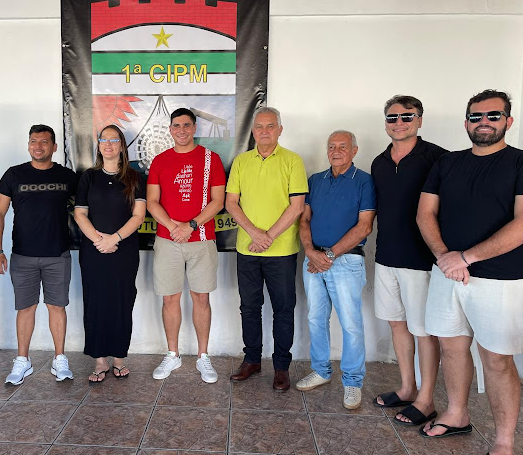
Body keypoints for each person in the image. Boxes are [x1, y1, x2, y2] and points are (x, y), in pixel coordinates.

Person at [417, 90, 523, 455]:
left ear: (508, 121)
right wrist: (444, 257)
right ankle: (456, 414)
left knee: (496, 360)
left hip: (501, 278)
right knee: (451, 347)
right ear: (466, 123)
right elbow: (425, 213)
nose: (484, 122)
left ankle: (504, 442)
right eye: (476, 116)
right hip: (447, 273)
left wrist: (466, 257)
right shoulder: (447, 163)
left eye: (493, 115)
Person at [371, 95, 447, 426]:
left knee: (423, 331)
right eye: (392, 117)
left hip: (422, 260)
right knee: (396, 323)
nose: (399, 123)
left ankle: (426, 400)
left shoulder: (438, 158)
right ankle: (407, 388)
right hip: (386, 255)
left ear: (419, 120)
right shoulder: (379, 162)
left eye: (407, 116)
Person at [226, 106, 308, 392]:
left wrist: (268, 237)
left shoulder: (293, 161)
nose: (264, 131)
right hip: (247, 249)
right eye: (259, 126)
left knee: (283, 309)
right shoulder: (241, 162)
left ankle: (281, 367)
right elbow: (231, 203)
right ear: (252, 131)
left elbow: (297, 206)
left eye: (270, 126)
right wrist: (254, 233)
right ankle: (252, 360)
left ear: (280, 130)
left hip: (281, 251)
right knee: (249, 307)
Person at [0, 124, 79, 385]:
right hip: (23, 255)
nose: (38, 146)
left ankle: (59, 359)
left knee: (57, 307)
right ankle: (23, 360)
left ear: (54, 147)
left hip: (58, 254)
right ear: (28, 145)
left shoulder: (67, 176)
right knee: (25, 308)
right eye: (33, 141)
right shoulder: (14, 174)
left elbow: (85, 208)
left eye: (44, 141)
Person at [296, 130, 376, 409]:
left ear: (354, 150)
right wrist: (310, 251)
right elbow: (304, 220)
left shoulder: (364, 181)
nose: (336, 151)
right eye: (332, 146)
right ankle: (321, 370)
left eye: (343, 146)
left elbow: (365, 226)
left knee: (351, 324)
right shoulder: (315, 180)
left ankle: (353, 381)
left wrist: (329, 255)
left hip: (346, 262)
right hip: (313, 259)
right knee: (316, 319)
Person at [146, 108, 226, 384]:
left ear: (194, 128)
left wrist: (190, 226)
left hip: (201, 239)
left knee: (201, 298)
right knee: (170, 298)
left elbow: (218, 201)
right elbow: (152, 201)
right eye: (176, 125)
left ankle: (203, 356)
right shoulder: (160, 160)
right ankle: (173, 354)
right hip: (168, 240)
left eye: (187, 125)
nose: (181, 130)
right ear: (170, 129)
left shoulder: (211, 159)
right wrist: (173, 227)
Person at [74, 124, 146, 382]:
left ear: (122, 146)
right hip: (93, 251)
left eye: (113, 140)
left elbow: (139, 216)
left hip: (124, 251)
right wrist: (99, 241)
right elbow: (80, 214)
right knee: (96, 303)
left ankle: (119, 358)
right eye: (103, 139)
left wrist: (114, 239)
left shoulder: (135, 178)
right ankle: (100, 360)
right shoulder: (88, 177)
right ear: (98, 145)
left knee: (121, 302)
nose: (108, 144)